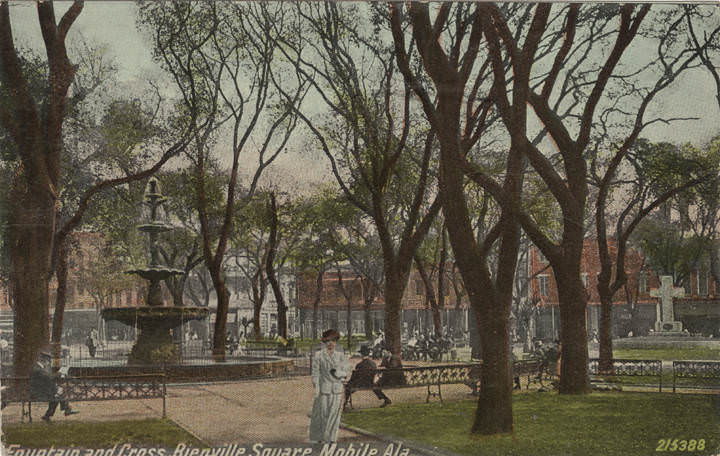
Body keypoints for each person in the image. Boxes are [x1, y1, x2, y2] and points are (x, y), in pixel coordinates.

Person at [309, 329, 349, 444]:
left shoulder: (340, 356)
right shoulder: (319, 355)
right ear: (324, 342)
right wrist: (316, 387)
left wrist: (338, 373)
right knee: (323, 414)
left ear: (336, 342)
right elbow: (315, 373)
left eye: (333, 340)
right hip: (324, 389)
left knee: (334, 415)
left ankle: (331, 438)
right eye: (328, 341)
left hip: (336, 389)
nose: (330, 343)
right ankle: (322, 437)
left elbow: (345, 371)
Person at [30, 348, 79, 422]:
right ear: (43, 360)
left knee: (57, 396)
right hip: (39, 392)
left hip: (44, 390)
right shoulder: (38, 369)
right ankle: (66, 409)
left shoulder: (42, 367)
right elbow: (49, 377)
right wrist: (59, 373)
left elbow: (49, 377)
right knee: (58, 395)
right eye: (47, 360)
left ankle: (48, 415)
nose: (48, 362)